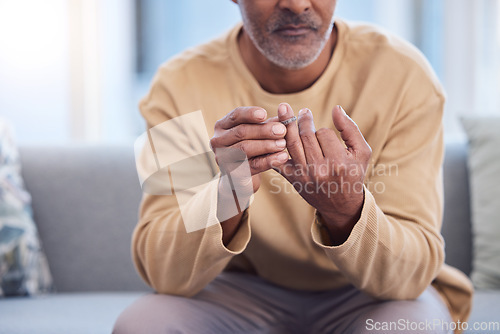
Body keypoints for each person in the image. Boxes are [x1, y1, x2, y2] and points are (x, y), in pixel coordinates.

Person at [114, 0, 473, 333]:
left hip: (367, 298)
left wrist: (344, 207)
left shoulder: (403, 74)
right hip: (237, 293)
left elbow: (410, 278)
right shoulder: (177, 85)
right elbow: (163, 273)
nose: (296, 4)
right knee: (142, 325)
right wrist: (228, 194)